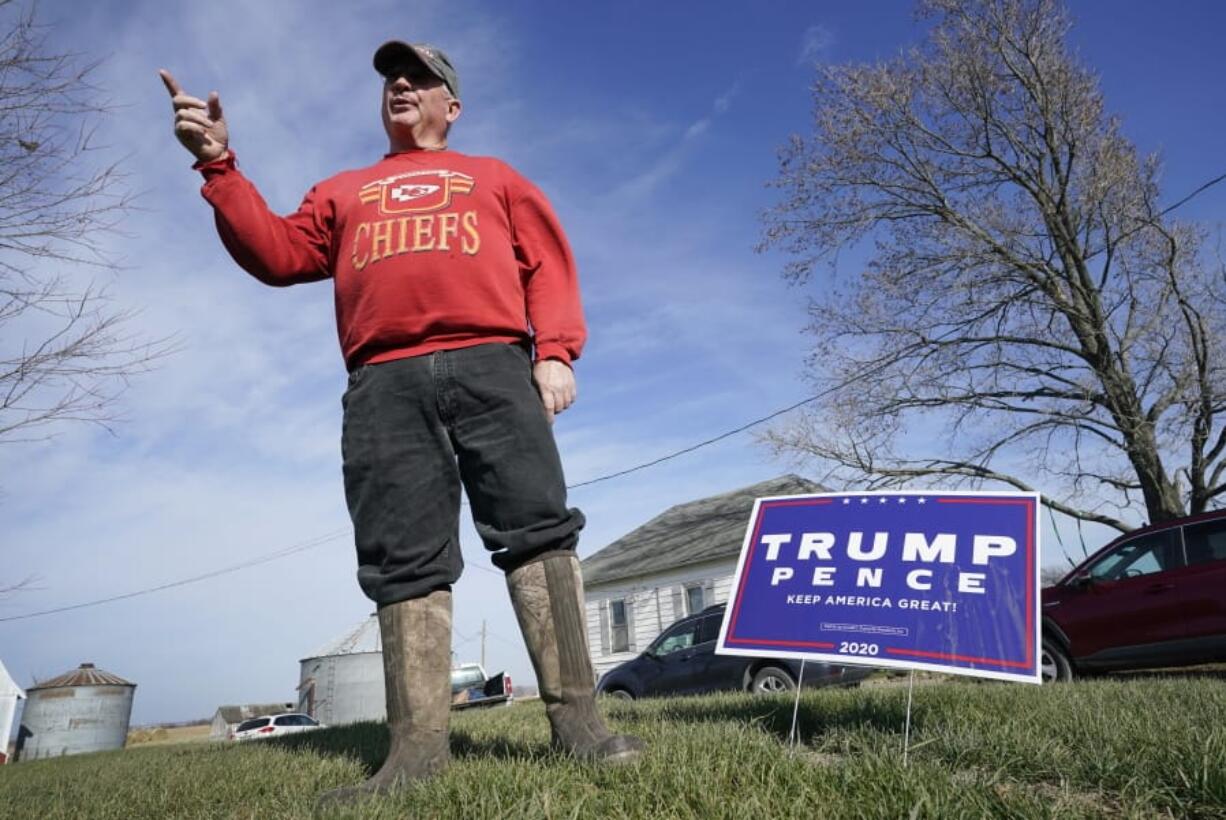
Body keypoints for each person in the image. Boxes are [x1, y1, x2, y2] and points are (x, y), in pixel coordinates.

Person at [160, 40, 643, 804]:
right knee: (403, 559)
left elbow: (547, 263)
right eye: (392, 79)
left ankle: (580, 727)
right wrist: (219, 166)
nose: (401, 87)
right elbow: (280, 253)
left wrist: (555, 353)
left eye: (420, 79)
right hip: (383, 382)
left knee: (538, 529)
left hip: (492, 364)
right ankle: (415, 756)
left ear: (452, 106)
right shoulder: (345, 190)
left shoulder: (494, 178)